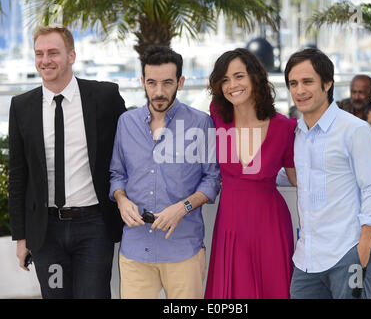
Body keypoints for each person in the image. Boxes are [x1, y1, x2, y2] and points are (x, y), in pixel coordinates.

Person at [8, 25, 126, 298]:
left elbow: (130, 146)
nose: (45, 60)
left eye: (53, 53)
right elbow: (18, 176)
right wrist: (22, 237)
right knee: (56, 294)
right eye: (39, 53)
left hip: (93, 228)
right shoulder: (22, 106)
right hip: (46, 234)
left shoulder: (105, 97)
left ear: (71, 55)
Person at [109, 46, 220, 299]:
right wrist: (121, 199)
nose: (159, 92)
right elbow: (117, 173)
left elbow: (212, 180)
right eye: (152, 82)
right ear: (142, 82)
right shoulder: (126, 123)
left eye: (168, 82)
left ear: (180, 82)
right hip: (135, 250)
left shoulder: (201, 123)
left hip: (183, 250)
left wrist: (183, 208)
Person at [284, 48, 371, 299]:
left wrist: (362, 250)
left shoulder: (354, 130)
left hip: (347, 255)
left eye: (308, 82)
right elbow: (297, 177)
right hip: (306, 260)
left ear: (327, 84)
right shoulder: (296, 133)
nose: (299, 90)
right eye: (293, 83)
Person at [204, 48, 297, 299]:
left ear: (255, 77)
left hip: (270, 224)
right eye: (224, 80)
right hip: (230, 225)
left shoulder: (284, 127)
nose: (232, 85)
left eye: (238, 76)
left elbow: (297, 177)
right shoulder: (217, 116)